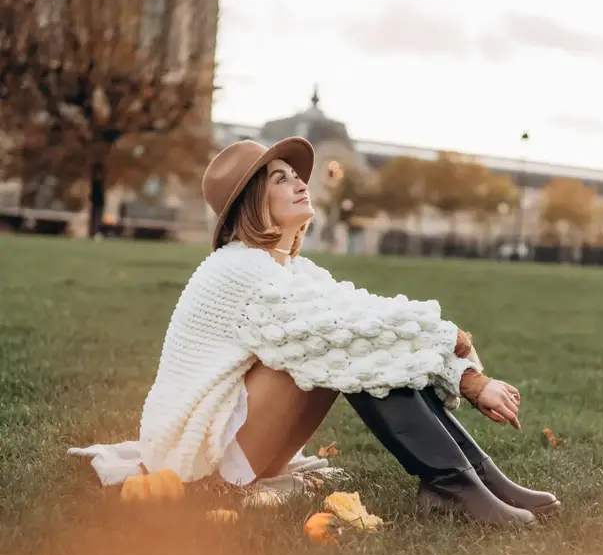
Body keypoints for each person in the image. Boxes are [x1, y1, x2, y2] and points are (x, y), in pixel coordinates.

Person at [71, 138, 559, 528]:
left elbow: (372, 316)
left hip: (243, 445)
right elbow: (349, 334)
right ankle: (453, 485)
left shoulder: (291, 269)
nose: (300, 182)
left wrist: (462, 370)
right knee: (348, 347)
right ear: (251, 203)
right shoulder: (237, 269)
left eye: (296, 175)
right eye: (280, 179)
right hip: (199, 463)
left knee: (362, 342)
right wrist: (464, 365)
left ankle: (475, 477)